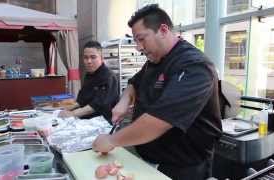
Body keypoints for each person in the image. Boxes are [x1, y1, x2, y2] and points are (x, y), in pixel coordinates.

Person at [92, 4, 222, 180]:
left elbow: (159, 121)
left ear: (162, 30)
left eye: (141, 39)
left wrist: (112, 140)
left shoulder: (194, 66)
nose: (138, 47)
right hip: (151, 158)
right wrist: (124, 101)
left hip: (183, 166)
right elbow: (134, 83)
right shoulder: (156, 59)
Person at [58, 41, 119, 123]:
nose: (89, 61)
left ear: (101, 58)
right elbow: (81, 100)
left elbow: (97, 106)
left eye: (93, 57)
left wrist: (72, 113)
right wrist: (64, 108)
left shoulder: (108, 77)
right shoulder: (89, 75)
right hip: (86, 120)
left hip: (103, 122)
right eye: (86, 57)